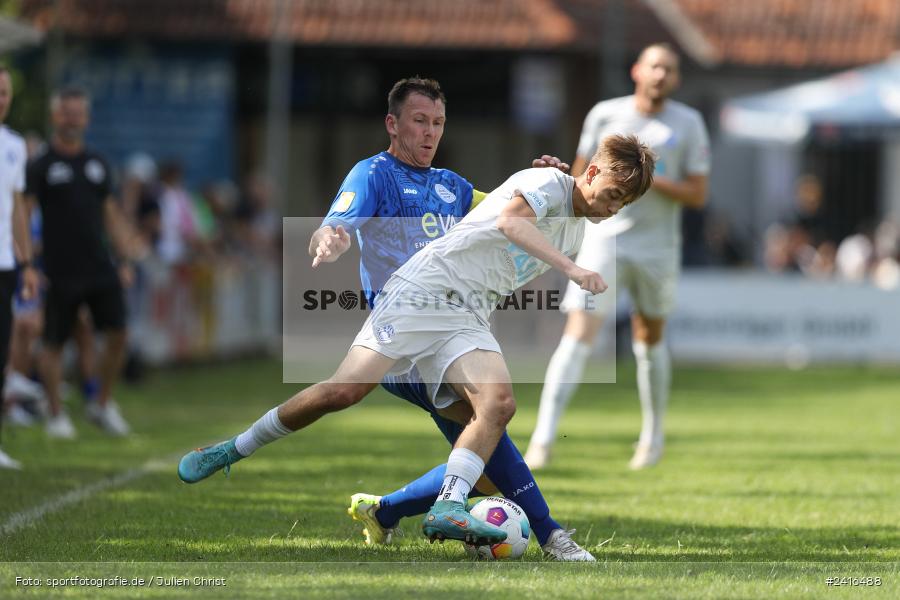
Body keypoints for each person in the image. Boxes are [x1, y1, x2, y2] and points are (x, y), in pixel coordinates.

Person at [183, 76, 595, 559]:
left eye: (438, 123)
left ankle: (385, 512)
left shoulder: (453, 187)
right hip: (401, 330)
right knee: (347, 392)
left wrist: (545, 183)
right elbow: (338, 221)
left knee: (485, 460)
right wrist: (329, 238)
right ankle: (234, 448)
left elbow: (511, 211)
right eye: (419, 121)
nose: (430, 132)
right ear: (392, 123)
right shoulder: (373, 174)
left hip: (450, 326)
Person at [525, 43, 711, 471]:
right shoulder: (605, 115)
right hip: (603, 239)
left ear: (677, 78)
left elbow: (698, 193)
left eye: (670, 68)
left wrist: (641, 177)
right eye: (654, 66)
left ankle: (652, 437)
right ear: (637, 70)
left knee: (650, 339)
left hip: (658, 247)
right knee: (578, 335)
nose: (661, 74)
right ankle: (543, 439)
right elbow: (580, 176)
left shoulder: (689, 123)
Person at [25, 86, 145, 438]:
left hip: (99, 265)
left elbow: (110, 213)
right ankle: (56, 415)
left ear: (87, 118)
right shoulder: (40, 165)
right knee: (54, 343)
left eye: (78, 113)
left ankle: (101, 403)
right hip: (59, 270)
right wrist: (30, 262)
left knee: (119, 333)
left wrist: (124, 255)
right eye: (66, 112)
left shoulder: (97, 163)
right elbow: (26, 214)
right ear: (54, 116)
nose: (72, 119)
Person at [0, 66, 39, 469]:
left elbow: (15, 213)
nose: (2, 99)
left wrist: (26, 262)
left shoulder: (13, 146)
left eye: (5, 92)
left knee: (1, 351)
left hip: (5, 263)